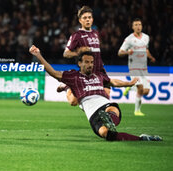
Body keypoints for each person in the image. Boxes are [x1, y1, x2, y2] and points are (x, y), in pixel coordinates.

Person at [29, 45, 162, 141]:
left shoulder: (98, 75)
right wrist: (38, 55)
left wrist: (129, 83)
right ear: (79, 63)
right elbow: (53, 72)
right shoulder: (73, 76)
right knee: (107, 134)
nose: (90, 65)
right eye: (87, 62)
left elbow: (113, 82)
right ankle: (142, 139)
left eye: (92, 62)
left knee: (112, 109)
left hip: (106, 105)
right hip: (93, 114)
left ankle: (109, 118)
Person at [60, 6, 110, 102]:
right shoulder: (77, 35)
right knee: (73, 102)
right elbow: (66, 54)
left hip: (99, 71)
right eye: (85, 18)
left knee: (106, 96)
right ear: (80, 20)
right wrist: (78, 52)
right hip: (86, 73)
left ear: (92, 19)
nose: (87, 20)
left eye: (89, 17)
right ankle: (67, 88)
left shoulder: (96, 33)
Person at [118, 18, 156, 116]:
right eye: (136, 25)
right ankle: (137, 111)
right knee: (140, 88)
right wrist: (127, 52)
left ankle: (130, 87)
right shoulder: (129, 39)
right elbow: (119, 52)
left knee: (146, 91)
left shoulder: (146, 37)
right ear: (132, 27)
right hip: (134, 66)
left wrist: (151, 57)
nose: (138, 26)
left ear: (142, 26)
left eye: (139, 24)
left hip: (144, 67)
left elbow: (146, 49)